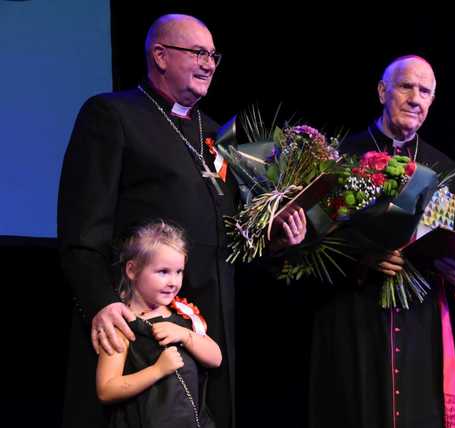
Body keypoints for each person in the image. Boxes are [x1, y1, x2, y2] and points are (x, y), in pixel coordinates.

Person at [58, 14, 306, 428]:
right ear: (159, 55)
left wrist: (276, 240)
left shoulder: (215, 135)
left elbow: (235, 235)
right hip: (137, 320)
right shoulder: (112, 114)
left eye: (213, 55)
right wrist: (101, 301)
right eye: (197, 52)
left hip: (207, 317)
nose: (209, 63)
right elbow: (82, 224)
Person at [309, 55, 455, 428]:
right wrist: (362, 257)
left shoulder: (445, 169)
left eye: (425, 91)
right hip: (354, 315)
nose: (415, 98)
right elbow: (307, 246)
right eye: (406, 87)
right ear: (382, 91)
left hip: (422, 322)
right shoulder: (341, 155)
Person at [97, 221, 221, 427]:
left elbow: (215, 358)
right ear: (132, 270)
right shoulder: (122, 324)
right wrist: (158, 370)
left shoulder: (181, 314)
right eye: (163, 272)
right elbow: (106, 390)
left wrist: (185, 335)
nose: (173, 281)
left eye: (179, 271)